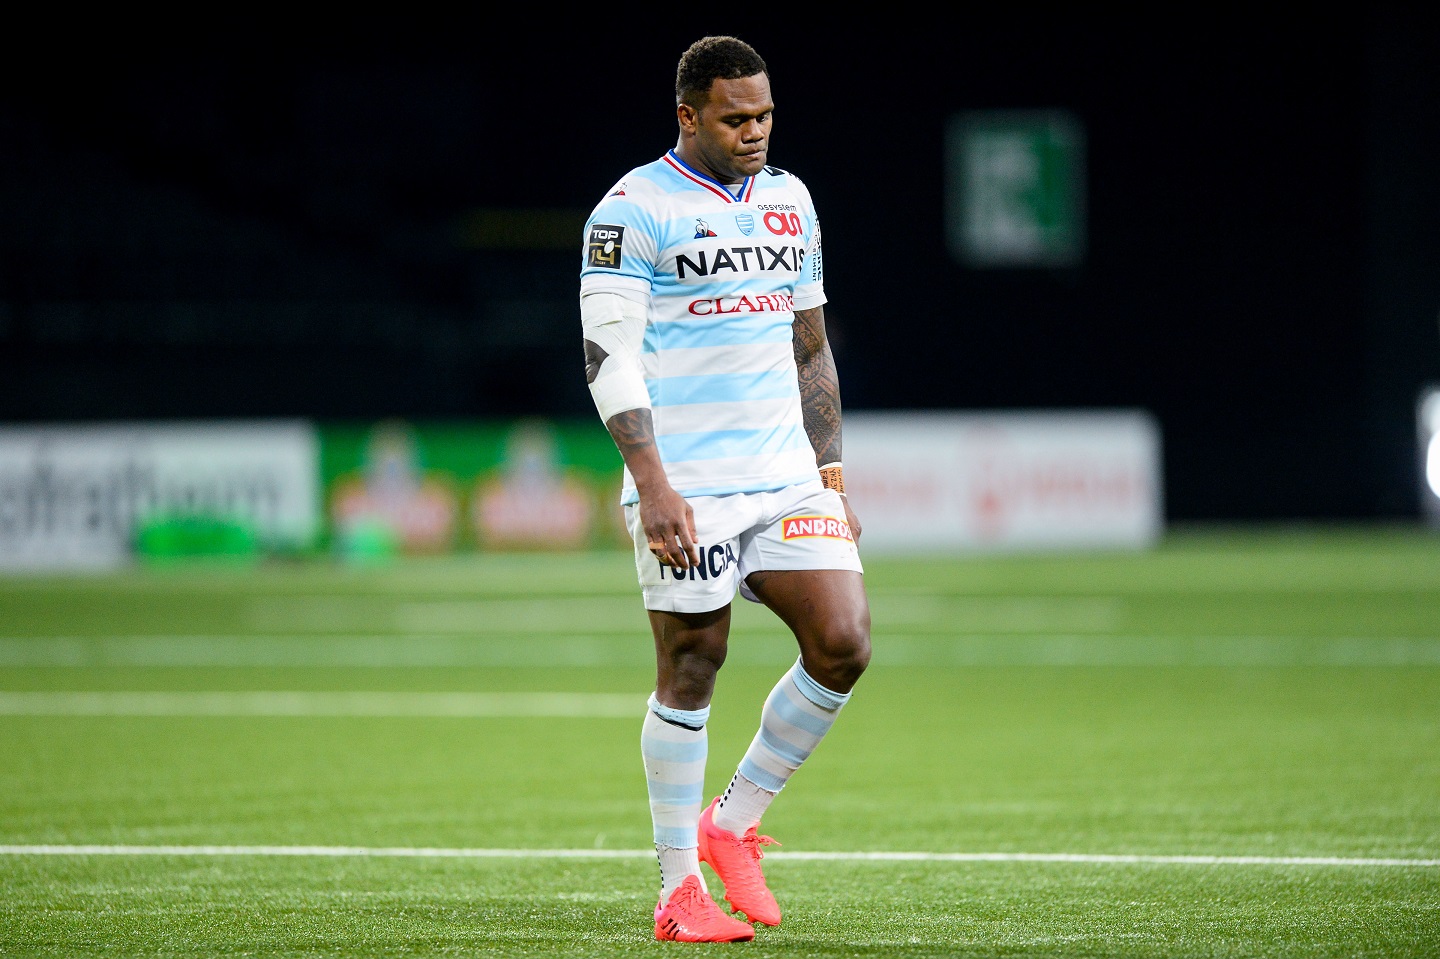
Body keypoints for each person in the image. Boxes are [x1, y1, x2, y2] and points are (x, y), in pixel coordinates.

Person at [578, 35, 872, 943]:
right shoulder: (631, 210)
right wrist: (652, 484)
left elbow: (811, 348)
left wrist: (829, 475)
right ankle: (679, 890)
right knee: (694, 661)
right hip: (690, 482)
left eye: (766, 115)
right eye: (736, 118)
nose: (756, 131)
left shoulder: (790, 200)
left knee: (844, 641)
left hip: (785, 474)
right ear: (689, 115)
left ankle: (732, 822)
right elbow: (606, 356)